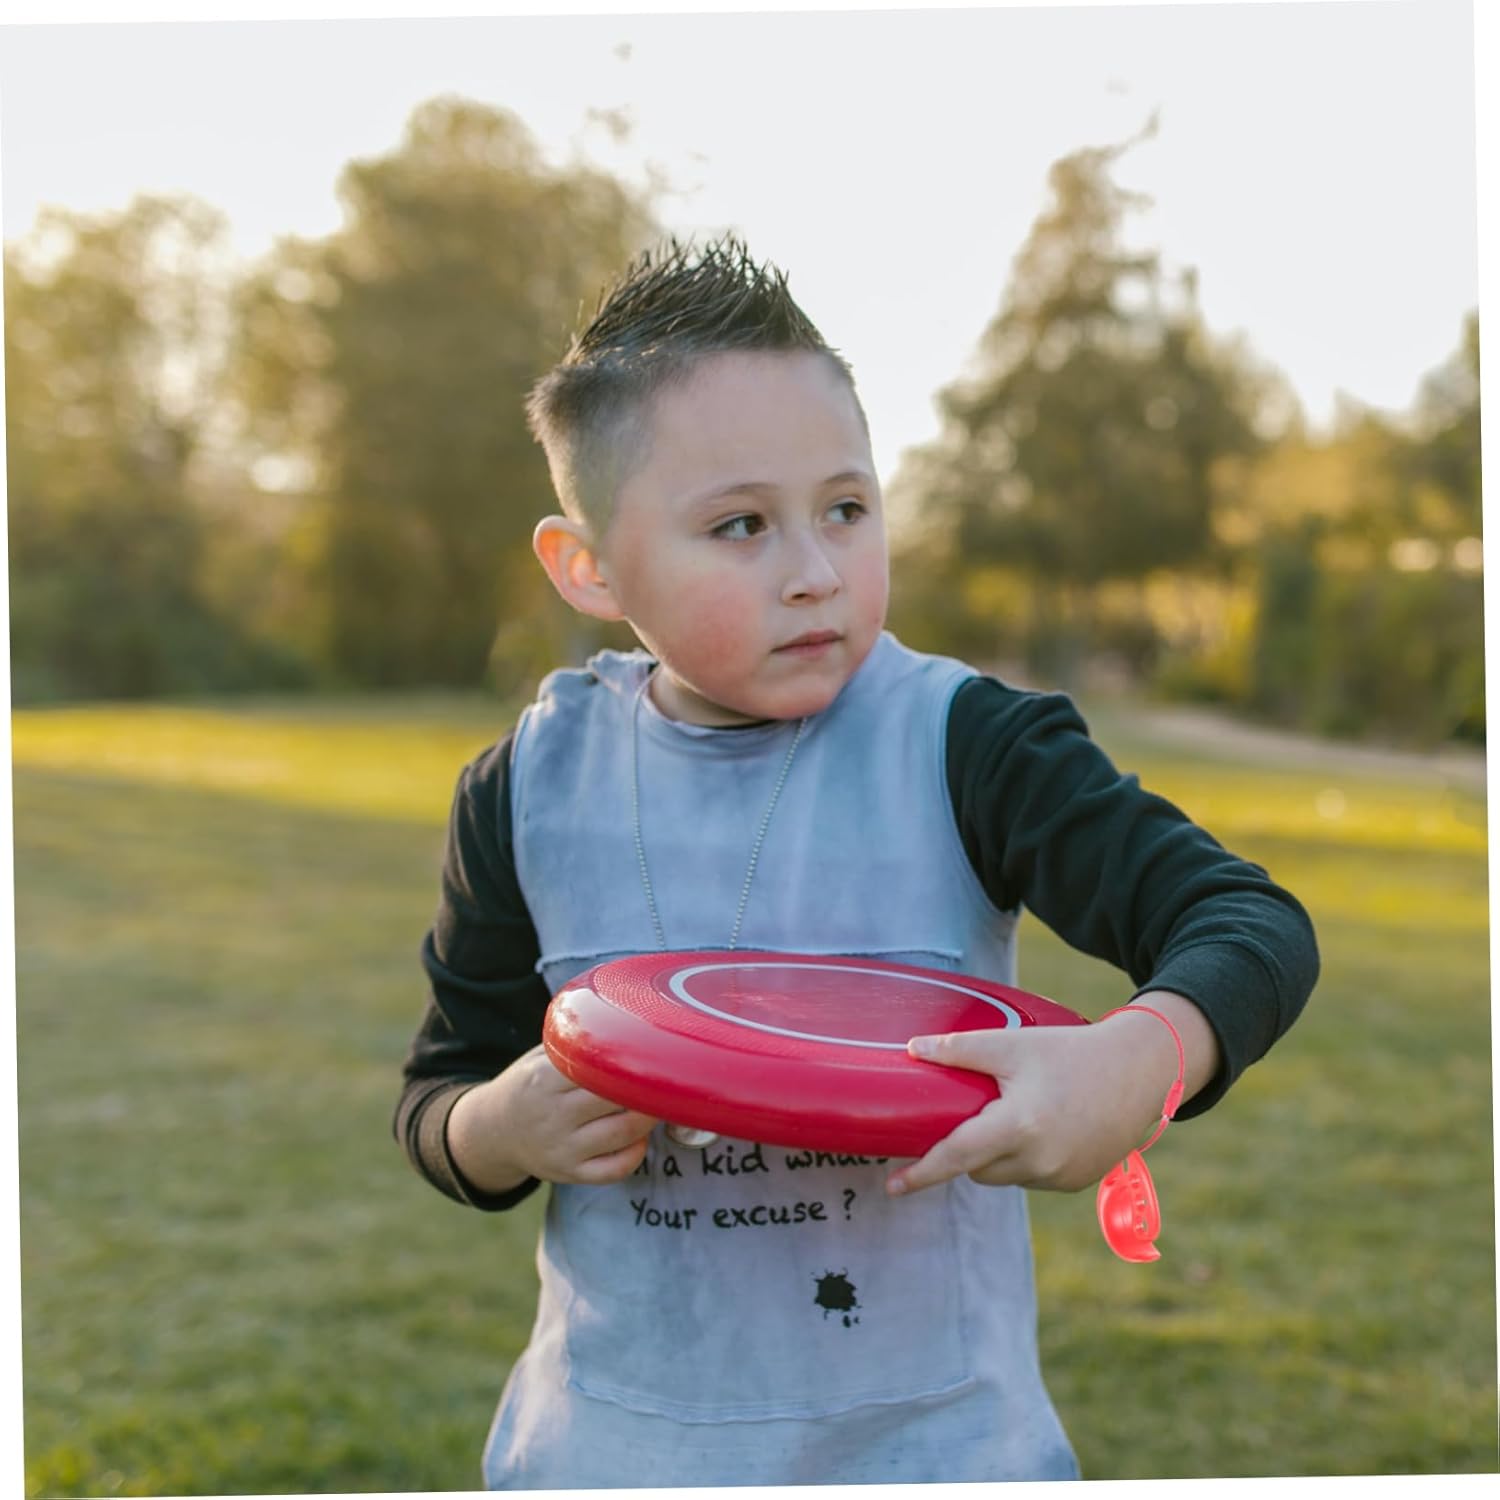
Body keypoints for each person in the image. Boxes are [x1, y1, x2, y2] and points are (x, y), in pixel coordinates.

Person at [394, 237, 1319, 1488]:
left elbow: (1246, 920)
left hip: (936, 1454)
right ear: (590, 567)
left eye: (846, 508)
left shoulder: (972, 746)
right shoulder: (526, 789)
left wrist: (1141, 1062)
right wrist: (502, 1126)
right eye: (740, 526)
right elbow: (439, 1099)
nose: (816, 573)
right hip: (614, 1454)